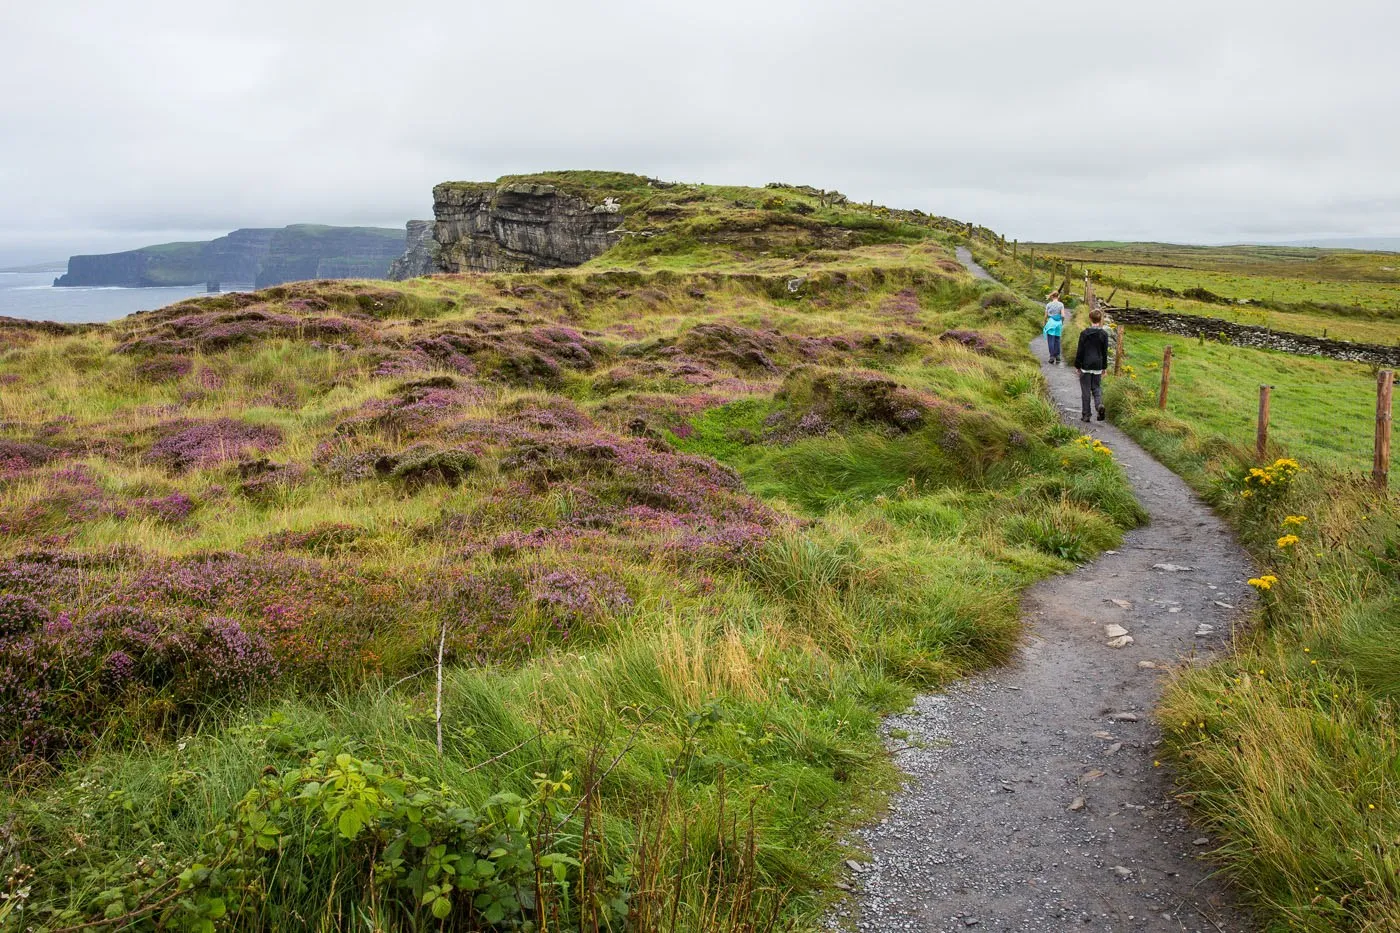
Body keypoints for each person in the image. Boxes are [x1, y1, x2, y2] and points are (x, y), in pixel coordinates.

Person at [1073, 308, 1111, 422]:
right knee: (1096, 388)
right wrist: (1104, 367)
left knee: (1086, 390)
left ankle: (1086, 415)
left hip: (1086, 364)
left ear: (1090, 318)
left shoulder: (1084, 333)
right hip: (1098, 365)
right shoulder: (1104, 334)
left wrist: (1077, 365)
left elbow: (1080, 351)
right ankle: (1099, 406)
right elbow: (1104, 352)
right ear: (1100, 319)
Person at [1043, 291, 1066, 364]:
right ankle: (1058, 356)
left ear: (1052, 297)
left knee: (1051, 340)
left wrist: (1044, 323)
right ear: (1058, 296)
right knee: (1057, 340)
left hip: (1051, 323)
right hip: (1058, 323)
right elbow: (1063, 316)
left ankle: (1052, 357)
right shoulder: (1061, 304)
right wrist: (1062, 322)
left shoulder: (1048, 304)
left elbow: (1046, 316)